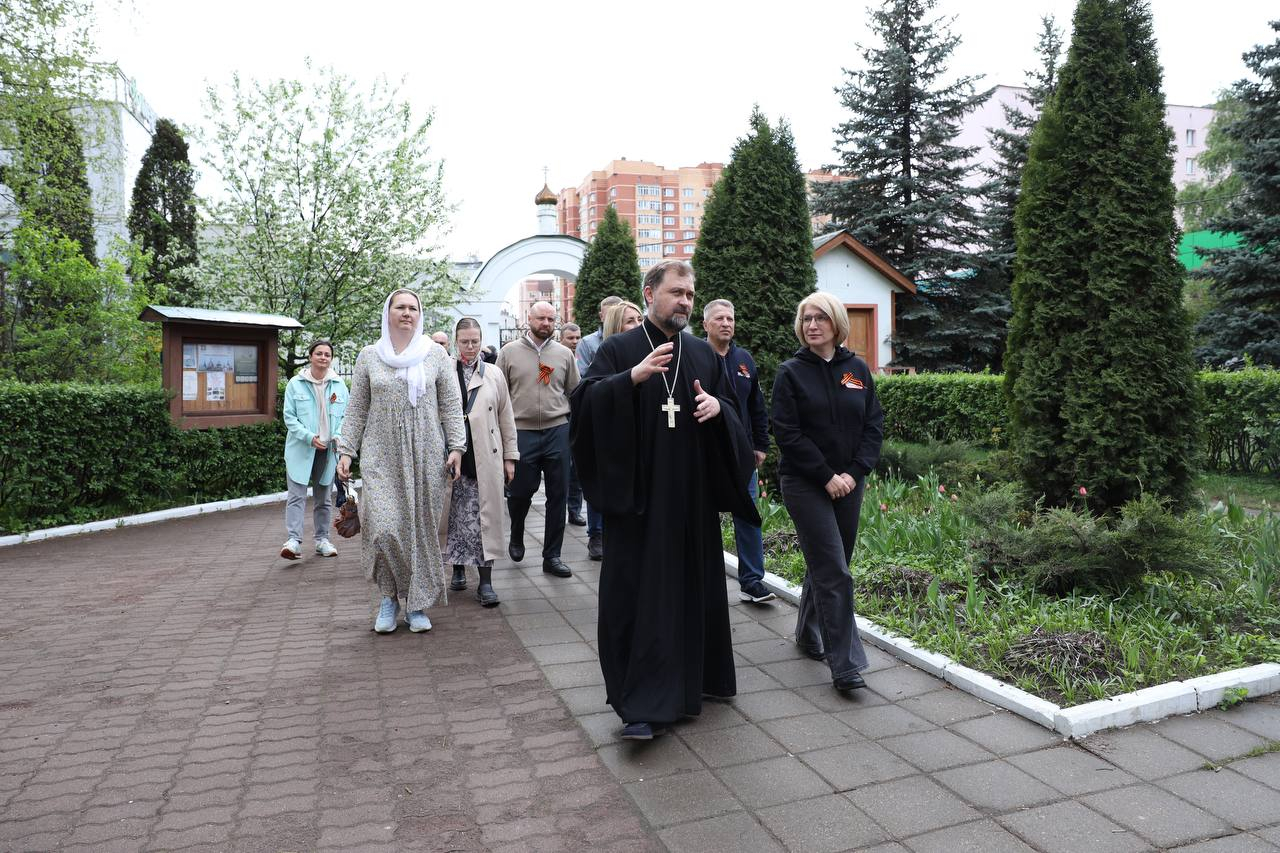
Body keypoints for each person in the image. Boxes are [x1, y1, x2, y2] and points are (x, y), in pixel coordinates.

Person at [571, 260, 759, 740]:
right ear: (650, 293)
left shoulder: (701, 353)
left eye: (690, 295)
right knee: (642, 598)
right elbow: (583, 408)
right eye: (677, 292)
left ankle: (699, 679)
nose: (685, 302)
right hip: (639, 503)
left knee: (691, 589)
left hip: (691, 500)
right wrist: (630, 379)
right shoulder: (619, 349)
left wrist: (719, 409)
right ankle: (641, 702)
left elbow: (731, 410)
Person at [770, 291, 883, 692]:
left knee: (829, 563)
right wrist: (826, 476)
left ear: (837, 324)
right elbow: (787, 433)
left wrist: (853, 473)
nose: (812, 325)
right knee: (834, 570)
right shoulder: (790, 373)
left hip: (849, 483)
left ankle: (807, 632)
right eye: (806, 319)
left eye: (820, 318)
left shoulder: (857, 370)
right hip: (805, 483)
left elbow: (873, 426)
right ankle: (845, 665)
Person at [337, 289, 466, 634]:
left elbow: (451, 406)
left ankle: (417, 604)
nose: (407, 313)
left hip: (425, 454)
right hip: (381, 455)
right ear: (388, 312)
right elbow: (357, 408)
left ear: (419, 314)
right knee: (383, 529)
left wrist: (456, 447)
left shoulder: (435, 354)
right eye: (400, 307)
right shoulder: (369, 356)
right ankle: (389, 596)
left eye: (413, 308)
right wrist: (346, 450)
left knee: (420, 531)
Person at [497, 301, 580, 578]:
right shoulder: (509, 353)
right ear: (528, 319)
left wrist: (574, 430)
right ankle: (517, 531)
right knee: (520, 492)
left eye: (551, 319)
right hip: (521, 432)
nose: (546, 323)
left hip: (557, 430)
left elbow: (574, 392)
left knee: (558, 495)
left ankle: (552, 556)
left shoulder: (564, 354)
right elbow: (499, 395)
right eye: (541, 318)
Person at [701, 299, 774, 604]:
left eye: (730, 319)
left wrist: (760, 445)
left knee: (748, 515)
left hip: (742, 453)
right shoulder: (695, 356)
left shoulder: (744, 360)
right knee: (703, 517)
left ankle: (752, 581)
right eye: (719, 318)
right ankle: (702, 581)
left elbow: (756, 405)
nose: (726, 323)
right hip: (706, 453)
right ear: (705, 324)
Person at [444, 318, 519, 606]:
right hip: (452, 455)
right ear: (456, 341)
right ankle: (457, 568)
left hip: (485, 454)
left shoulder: (494, 373)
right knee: (454, 516)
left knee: (484, 519)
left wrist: (510, 457)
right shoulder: (443, 372)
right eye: (464, 341)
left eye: (475, 341)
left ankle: (486, 581)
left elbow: (506, 416)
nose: (470, 346)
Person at [281, 340, 349, 560]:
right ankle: (293, 541)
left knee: (324, 498)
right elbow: (289, 417)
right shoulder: (295, 384)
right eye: (319, 353)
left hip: (328, 451)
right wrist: (309, 438)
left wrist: (337, 435)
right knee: (296, 496)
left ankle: (322, 540)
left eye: (327, 354)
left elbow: (347, 416)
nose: (323, 357)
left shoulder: (339, 385)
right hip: (301, 448)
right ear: (310, 356)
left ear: (331, 358)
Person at [574, 296, 622, 560]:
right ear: (602, 315)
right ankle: (596, 534)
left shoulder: (635, 345)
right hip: (600, 418)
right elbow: (584, 380)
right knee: (598, 478)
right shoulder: (589, 343)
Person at [559, 323, 586, 526]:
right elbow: (546, 383)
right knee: (562, 467)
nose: (575, 342)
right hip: (562, 418)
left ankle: (574, 510)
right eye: (570, 338)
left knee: (577, 466)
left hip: (580, 416)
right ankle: (559, 507)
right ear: (561, 338)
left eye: (577, 338)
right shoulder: (553, 359)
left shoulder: (583, 357)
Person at [574, 295, 622, 377]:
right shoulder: (587, 343)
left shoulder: (632, 339)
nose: (613, 320)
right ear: (601, 316)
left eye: (617, 316)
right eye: (609, 316)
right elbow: (582, 376)